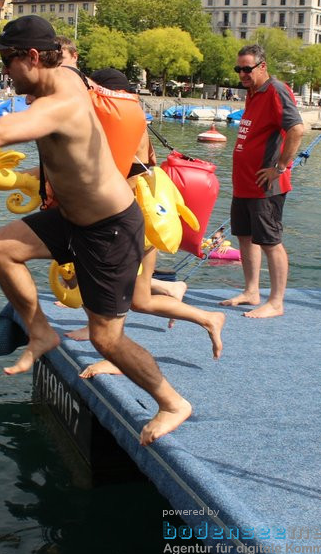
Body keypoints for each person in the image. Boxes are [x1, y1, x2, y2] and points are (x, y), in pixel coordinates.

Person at [0, 15, 191, 445]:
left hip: (109, 229)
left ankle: (172, 402)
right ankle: (41, 330)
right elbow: (63, 56)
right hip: (71, 218)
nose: (2, 71)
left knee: (106, 339)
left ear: (31, 57)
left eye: (6, 60)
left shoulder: (62, 102)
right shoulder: (58, 70)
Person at [69, 68, 225, 375]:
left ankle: (115, 358)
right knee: (139, 299)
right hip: (147, 217)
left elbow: (122, 179)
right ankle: (207, 317)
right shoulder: (135, 121)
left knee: (112, 286)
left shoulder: (121, 127)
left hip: (131, 220)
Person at [219, 45, 306, 318]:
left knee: (270, 241)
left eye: (248, 68)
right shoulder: (252, 94)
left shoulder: (275, 90)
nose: (243, 74)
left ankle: (276, 302)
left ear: (262, 66)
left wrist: (280, 167)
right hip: (243, 184)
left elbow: (297, 128)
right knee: (245, 237)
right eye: (239, 69)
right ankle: (251, 291)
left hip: (265, 186)